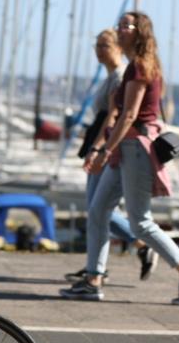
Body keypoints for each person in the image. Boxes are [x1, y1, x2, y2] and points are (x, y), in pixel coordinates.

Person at [60, 11, 179, 305]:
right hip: (124, 150)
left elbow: (128, 115)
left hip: (136, 150)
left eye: (126, 25)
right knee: (99, 209)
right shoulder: (132, 68)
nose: (120, 29)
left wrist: (104, 150)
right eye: (119, 25)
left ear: (140, 32)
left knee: (140, 223)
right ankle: (93, 279)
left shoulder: (140, 67)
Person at [65, 29, 158, 285]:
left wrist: (100, 149)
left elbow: (114, 116)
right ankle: (96, 266)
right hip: (101, 140)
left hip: (108, 142)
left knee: (99, 209)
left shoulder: (120, 76)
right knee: (97, 209)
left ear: (118, 47)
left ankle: (134, 247)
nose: (99, 49)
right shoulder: (112, 76)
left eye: (104, 45)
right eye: (97, 45)